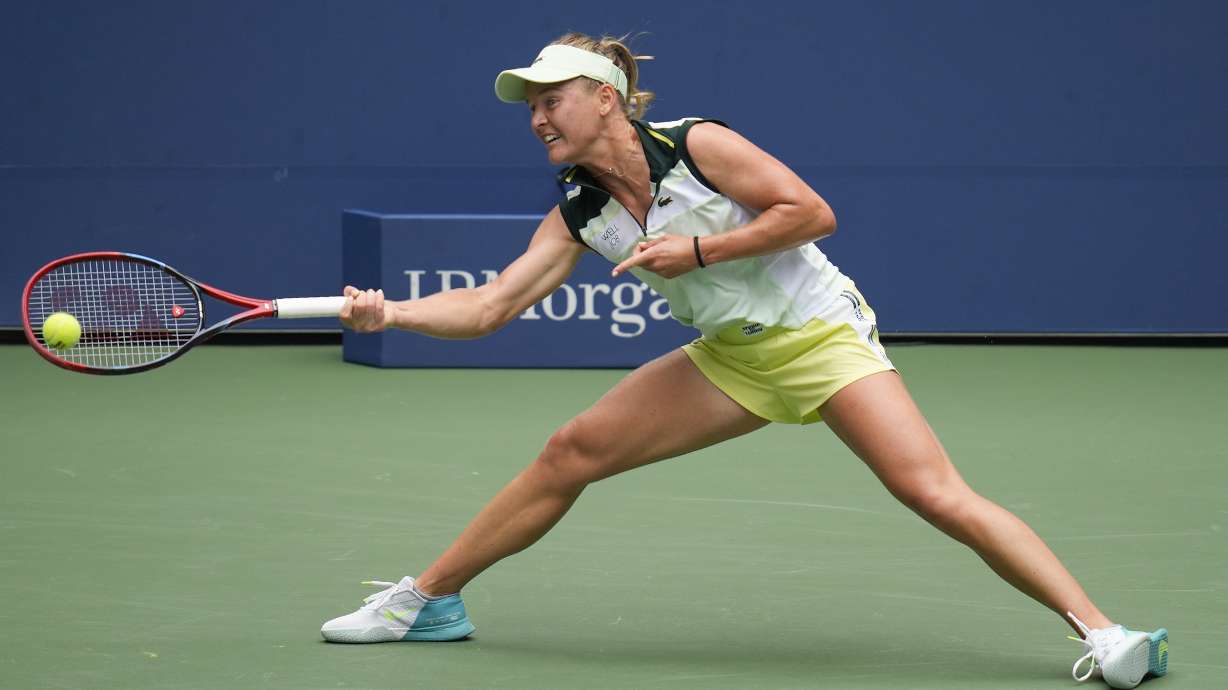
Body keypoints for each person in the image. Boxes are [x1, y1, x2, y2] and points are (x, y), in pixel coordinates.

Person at [321, 32, 1168, 689]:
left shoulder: (698, 146)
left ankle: (1103, 631)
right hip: (731, 359)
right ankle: (425, 604)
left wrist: (696, 254)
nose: (538, 117)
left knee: (930, 491)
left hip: (820, 337)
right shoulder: (580, 208)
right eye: (529, 106)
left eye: (552, 99)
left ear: (607, 100)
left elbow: (812, 213)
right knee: (569, 452)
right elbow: (490, 305)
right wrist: (389, 310)